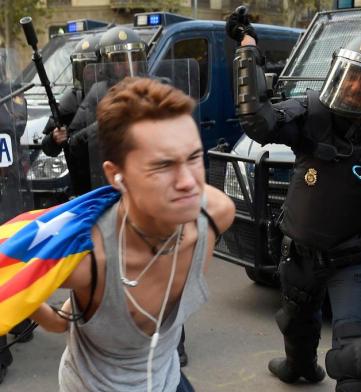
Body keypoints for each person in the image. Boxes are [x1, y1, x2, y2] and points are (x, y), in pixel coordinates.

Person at [29, 76, 235, 392]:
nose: (187, 182)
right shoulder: (86, 258)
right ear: (116, 175)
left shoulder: (216, 214)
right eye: (162, 166)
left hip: (167, 381)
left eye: (193, 157)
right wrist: (21, 295)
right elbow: (57, 320)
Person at [226, 10, 361, 392]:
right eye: (349, 78)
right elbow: (259, 122)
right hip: (297, 254)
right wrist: (247, 50)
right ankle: (299, 366)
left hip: (350, 259)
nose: (352, 90)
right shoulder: (313, 113)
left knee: (358, 358)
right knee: (296, 328)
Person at [67, 25, 148, 191]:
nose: (127, 65)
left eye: (133, 57)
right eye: (119, 60)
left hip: (145, 177)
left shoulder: (154, 88)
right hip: (108, 182)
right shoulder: (97, 92)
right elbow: (74, 142)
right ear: (106, 64)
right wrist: (104, 124)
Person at [0, 51, 34, 384]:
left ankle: (21, 321)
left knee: (15, 255)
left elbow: (17, 124)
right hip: (9, 192)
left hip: (9, 188)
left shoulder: (11, 94)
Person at [41, 33, 101, 196]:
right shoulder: (71, 100)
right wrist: (55, 138)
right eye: (82, 66)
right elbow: (47, 147)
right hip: (83, 187)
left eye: (90, 66)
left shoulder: (115, 93)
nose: (86, 72)